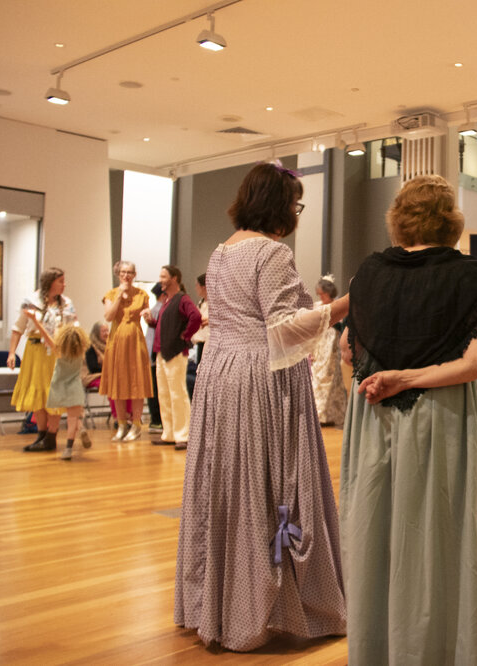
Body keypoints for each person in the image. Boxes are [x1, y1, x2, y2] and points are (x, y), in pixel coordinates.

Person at [175, 162, 348, 652]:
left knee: (226, 484)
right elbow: (282, 328)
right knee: (266, 484)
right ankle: (263, 606)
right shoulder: (272, 252)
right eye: (295, 204)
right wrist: (341, 306)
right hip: (258, 377)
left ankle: (220, 601)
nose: (296, 214)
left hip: (219, 376)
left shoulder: (221, 250)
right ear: (279, 205)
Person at [341, 174, 477, 664]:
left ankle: (373, 652)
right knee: (435, 541)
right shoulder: (471, 277)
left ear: (399, 217)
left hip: (373, 415)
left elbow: (352, 355)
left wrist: (383, 379)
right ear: (451, 219)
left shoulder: (367, 273)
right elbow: (475, 366)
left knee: (373, 535)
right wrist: (409, 378)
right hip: (440, 416)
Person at [8, 267, 78, 452]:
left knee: (53, 394)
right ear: (50, 282)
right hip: (35, 351)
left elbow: (73, 327)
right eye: (60, 281)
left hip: (56, 353)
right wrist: (11, 353)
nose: (64, 285)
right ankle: (40, 434)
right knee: (38, 393)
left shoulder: (66, 304)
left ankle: (51, 436)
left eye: (64, 281)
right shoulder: (31, 302)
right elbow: (18, 328)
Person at [147, 265, 201, 450]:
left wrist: (185, 337)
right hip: (162, 352)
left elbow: (195, 317)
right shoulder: (168, 301)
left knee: (177, 394)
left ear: (175, 278)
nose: (160, 279)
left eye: (164, 276)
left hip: (175, 353)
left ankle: (183, 435)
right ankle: (169, 433)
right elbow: (167, 324)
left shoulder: (182, 299)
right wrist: (152, 323)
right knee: (164, 394)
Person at [100, 260, 152, 442]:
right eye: (123, 272)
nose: (126, 275)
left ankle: (136, 424)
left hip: (136, 343)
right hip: (116, 344)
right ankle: (121, 423)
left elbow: (148, 317)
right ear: (118, 274)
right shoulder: (111, 294)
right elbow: (108, 316)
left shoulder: (142, 294)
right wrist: (119, 296)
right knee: (118, 384)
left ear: (134, 274)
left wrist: (148, 316)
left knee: (137, 384)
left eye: (130, 272)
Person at [26, 318, 92, 460]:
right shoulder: (82, 351)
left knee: (56, 414)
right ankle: (69, 447)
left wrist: (36, 322)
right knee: (73, 418)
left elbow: (45, 336)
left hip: (60, 388)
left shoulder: (58, 350)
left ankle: (77, 430)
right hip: (75, 388)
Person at [310, 275, 347, 426]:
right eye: (319, 294)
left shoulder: (337, 305)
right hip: (319, 344)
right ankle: (316, 415)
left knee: (329, 377)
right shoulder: (317, 306)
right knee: (316, 376)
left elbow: (341, 325)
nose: (321, 297)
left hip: (331, 345)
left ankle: (327, 415)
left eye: (323, 294)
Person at [144, 283, 165, 434]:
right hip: (155, 353)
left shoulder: (153, 310)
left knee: (153, 388)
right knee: (157, 389)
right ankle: (157, 420)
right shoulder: (160, 309)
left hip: (150, 352)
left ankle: (155, 420)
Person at [186, 273, 210, 399]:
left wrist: (207, 320)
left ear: (204, 287)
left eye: (197, 285)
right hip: (198, 344)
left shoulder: (214, 303)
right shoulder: (201, 302)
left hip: (208, 343)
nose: (196, 288)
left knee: (203, 377)